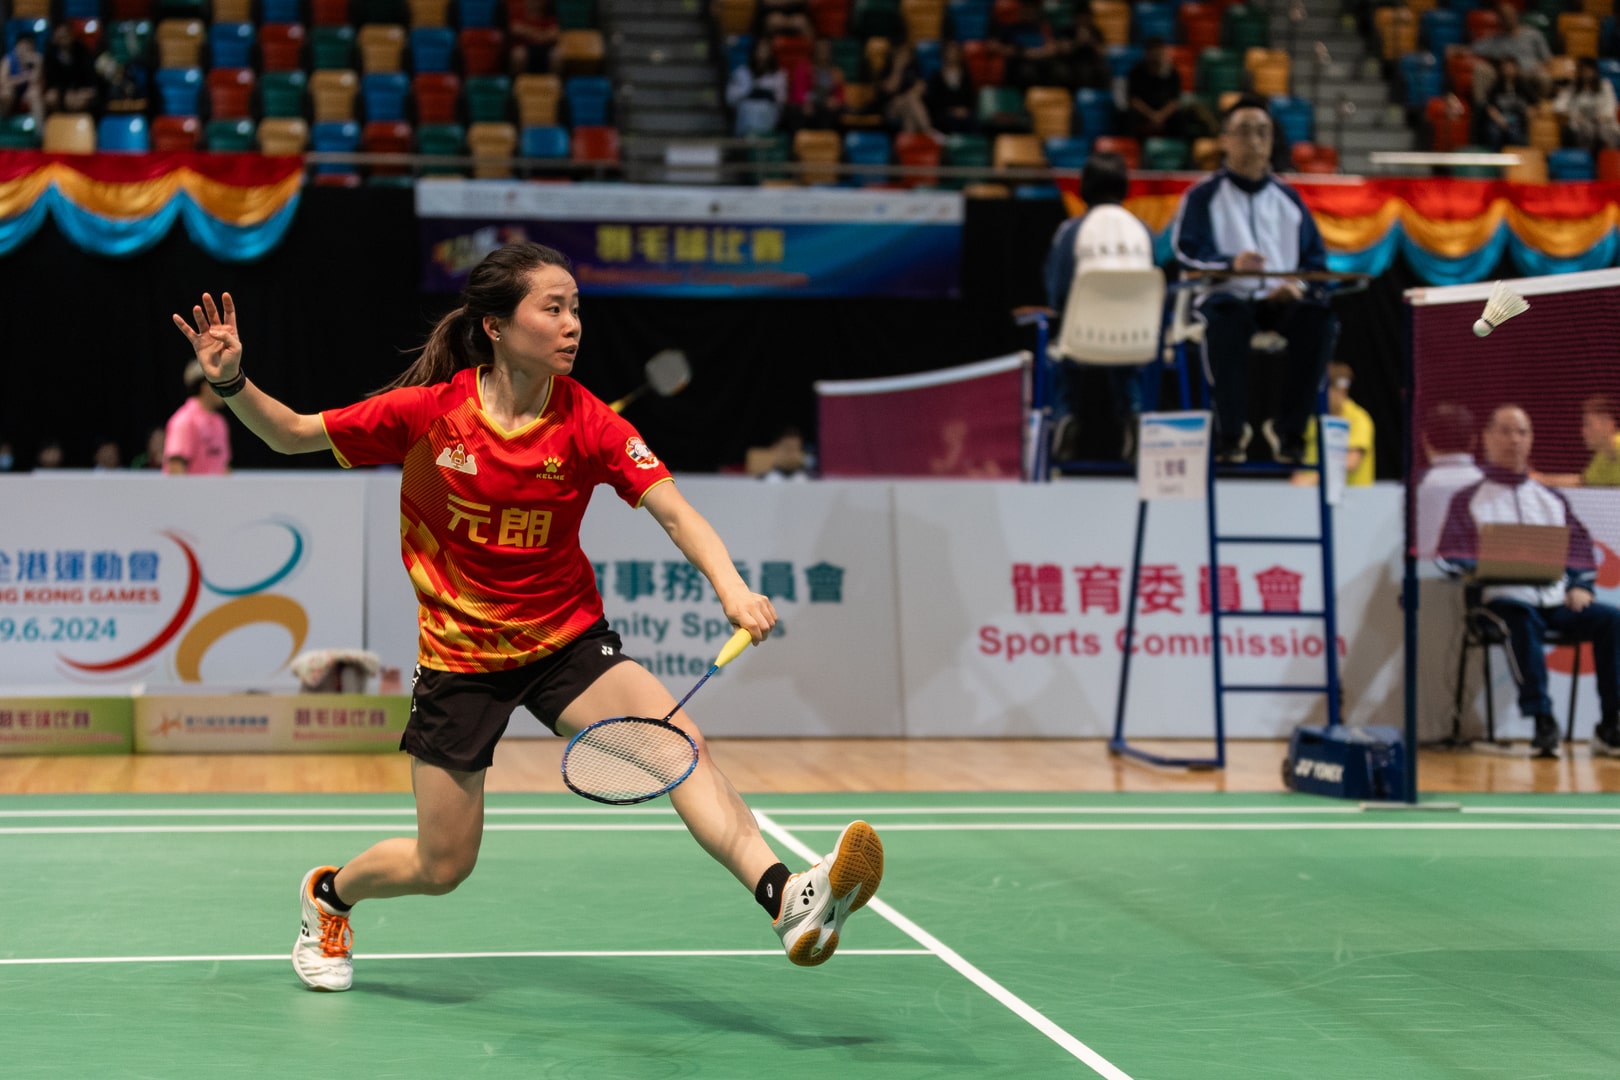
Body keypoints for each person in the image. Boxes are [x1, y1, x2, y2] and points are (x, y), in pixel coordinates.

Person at [168, 242, 884, 992]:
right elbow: (290, 432)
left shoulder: (590, 422)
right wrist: (230, 380)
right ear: (496, 327)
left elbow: (675, 511)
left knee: (679, 746)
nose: (573, 324)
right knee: (442, 866)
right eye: (553, 308)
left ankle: (786, 898)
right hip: (460, 658)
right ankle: (330, 896)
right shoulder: (430, 414)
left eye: (576, 308)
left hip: (563, 641)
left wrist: (730, 586)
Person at [1437, 404, 1620, 759]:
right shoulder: (1468, 499)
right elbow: (1448, 556)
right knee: (1520, 618)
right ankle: (1542, 720)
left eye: (1522, 432)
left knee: (1610, 620)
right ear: (1487, 438)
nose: (1514, 440)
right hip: (1499, 601)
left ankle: (1611, 725)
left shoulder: (1551, 499)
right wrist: (1481, 567)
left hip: (1555, 600)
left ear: (1531, 439)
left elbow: (1580, 550)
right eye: (1505, 431)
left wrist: (1580, 585)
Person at [1171, 94, 1336, 465]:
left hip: (1280, 302)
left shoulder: (1289, 199)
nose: (1254, 141)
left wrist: (1298, 287)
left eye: (1263, 132)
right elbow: (1185, 252)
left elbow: (1315, 262)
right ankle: (1231, 434)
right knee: (1224, 323)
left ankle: (1289, 431)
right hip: (1228, 298)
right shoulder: (1202, 197)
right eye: (1244, 131)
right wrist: (1231, 263)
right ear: (1225, 140)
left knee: (1319, 320)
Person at [1042, 151, 1155, 462]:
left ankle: (1065, 417)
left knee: (1059, 348)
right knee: (1125, 353)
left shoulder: (1071, 231)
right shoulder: (1144, 232)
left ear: (1084, 188)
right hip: (1138, 339)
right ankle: (1134, 414)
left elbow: (1058, 292)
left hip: (1083, 338)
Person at [1415, 401, 1483, 558]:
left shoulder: (1411, 489)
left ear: (1424, 440)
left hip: (1421, 572)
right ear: (1474, 440)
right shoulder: (1493, 487)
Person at [1295, 361, 1375, 487]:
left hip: (1351, 496)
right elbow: (1306, 457)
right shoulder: (1314, 419)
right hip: (1309, 494)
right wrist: (1297, 480)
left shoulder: (1359, 419)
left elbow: (1351, 461)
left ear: (1341, 390)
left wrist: (1313, 479)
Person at [1126, 37, 1210, 143]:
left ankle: (1179, 147)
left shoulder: (1172, 73)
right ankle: (1132, 147)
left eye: (1159, 52)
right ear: (1146, 53)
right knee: (1129, 117)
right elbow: (1134, 100)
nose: (1156, 56)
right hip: (1144, 113)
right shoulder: (1136, 73)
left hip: (1165, 114)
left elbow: (1174, 101)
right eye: (1153, 52)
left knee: (1180, 117)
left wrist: (1161, 116)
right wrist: (1152, 116)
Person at [1533, 394, 1620, 488]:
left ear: (1607, 424)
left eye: (1588, 424)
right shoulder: (1602, 456)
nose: (1583, 431)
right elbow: (1581, 482)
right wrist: (1541, 479)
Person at [164, 360, 231, 474]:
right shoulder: (184, 420)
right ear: (206, 386)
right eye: (221, 382)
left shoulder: (220, 422)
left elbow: (224, 466)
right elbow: (175, 468)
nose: (227, 387)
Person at [1470, 2, 1551, 95]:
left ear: (1516, 15)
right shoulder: (1496, 40)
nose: (1508, 19)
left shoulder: (1533, 34)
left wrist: (1539, 67)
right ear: (1500, 20)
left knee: (1544, 77)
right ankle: (1482, 104)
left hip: (1530, 72)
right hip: (1504, 75)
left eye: (1509, 15)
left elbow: (1547, 59)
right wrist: (1459, 50)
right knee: (1481, 70)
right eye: (1504, 16)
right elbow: (1473, 48)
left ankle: (1543, 103)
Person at [1553, 57, 1620, 153]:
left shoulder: (1605, 85)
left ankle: (1607, 157)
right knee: (1586, 130)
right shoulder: (1573, 88)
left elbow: (1611, 107)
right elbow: (1559, 106)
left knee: (1605, 133)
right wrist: (1571, 115)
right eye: (1584, 70)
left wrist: (1602, 117)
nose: (1586, 73)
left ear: (1595, 71)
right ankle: (1586, 156)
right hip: (1581, 126)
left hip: (1603, 124)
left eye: (1589, 70)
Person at [725, 37, 787, 137]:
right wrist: (748, 91)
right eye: (759, 49)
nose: (762, 53)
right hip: (746, 113)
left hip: (769, 112)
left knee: (765, 107)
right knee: (749, 108)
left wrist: (765, 93)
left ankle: (763, 137)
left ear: (771, 53)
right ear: (753, 52)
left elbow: (781, 101)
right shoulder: (742, 72)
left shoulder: (778, 75)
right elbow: (730, 98)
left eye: (766, 50)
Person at [1481, 56, 1535, 152]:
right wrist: (1500, 120)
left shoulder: (1523, 86)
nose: (1509, 70)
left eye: (1511, 67)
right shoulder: (1496, 86)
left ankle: (1517, 157)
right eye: (1506, 67)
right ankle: (1495, 158)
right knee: (1494, 133)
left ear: (1516, 68)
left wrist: (1529, 114)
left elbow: (1533, 104)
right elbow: (1490, 107)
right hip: (1499, 119)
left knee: (1516, 134)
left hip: (1518, 120)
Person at [42, 23, 97, 114]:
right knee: (51, 98)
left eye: (66, 35)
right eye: (60, 37)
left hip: (81, 89)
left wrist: (79, 92)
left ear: (72, 35)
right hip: (61, 91)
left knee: (79, 100)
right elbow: (51, 82)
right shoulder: (50, 55)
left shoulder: (83, 52)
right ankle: (57, 120)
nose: (64, 39)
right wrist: (65, 93)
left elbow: (89, 78)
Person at [924, 40, 977, 135]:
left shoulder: (966, 75)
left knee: (971, 121)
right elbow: (934, 101)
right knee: (949, 121)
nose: (952, 54)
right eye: (949, 51)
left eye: (954, 51)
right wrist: (951, 111)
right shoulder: (937, 75)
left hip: (963, 112)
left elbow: (971, 97)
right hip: (944, 114)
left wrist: (964, 110)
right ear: (944, 54)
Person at [1, 33, 45, 126]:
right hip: (12, 91)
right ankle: (4, 123)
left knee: (35, 93)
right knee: (6, 93)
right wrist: (23, 78)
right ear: (17, 46)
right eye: (23, 46)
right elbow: (3, 82)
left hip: (26, 92)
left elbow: (35, 80)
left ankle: (40, 130)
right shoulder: (8, 59)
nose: (25, 50)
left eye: (29, 47)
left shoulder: (35, 59)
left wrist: (38, 65)